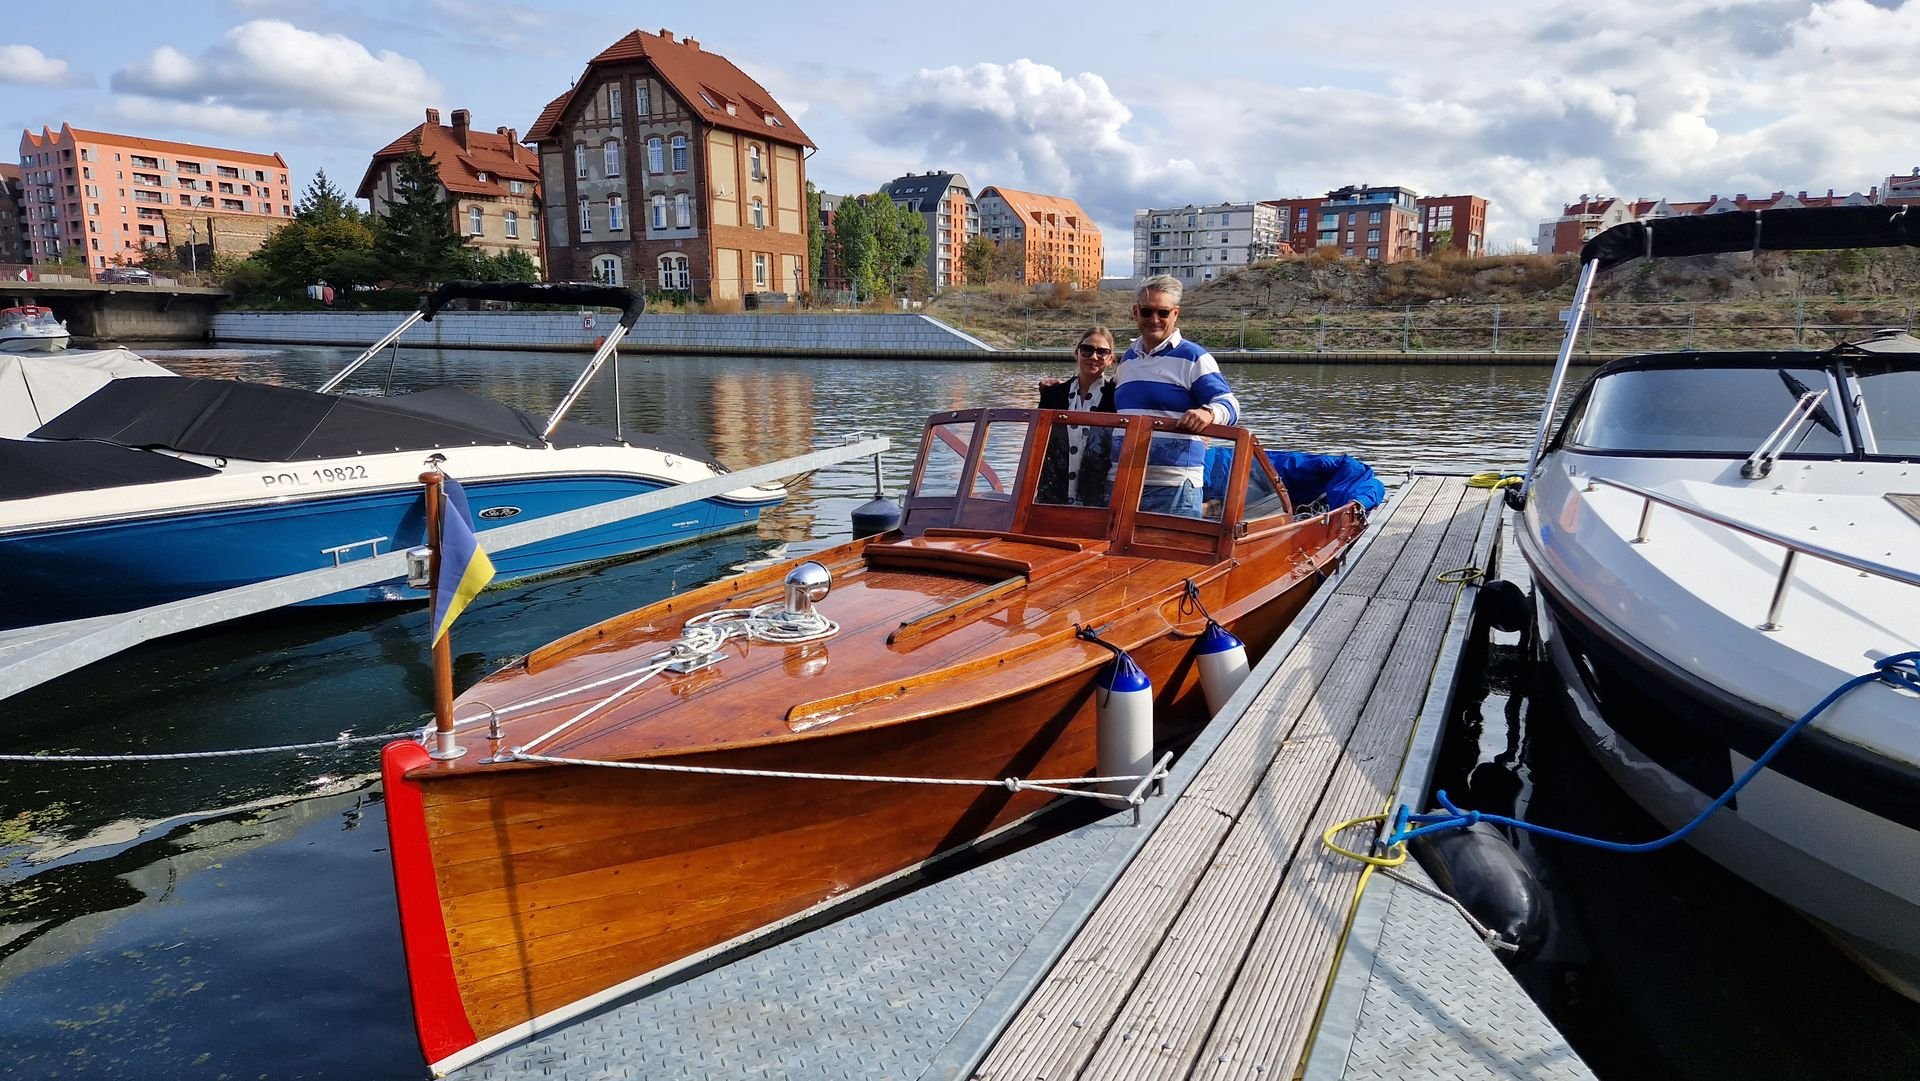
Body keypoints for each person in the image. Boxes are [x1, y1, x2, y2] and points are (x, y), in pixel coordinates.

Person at [1113, 275, 1240, 517]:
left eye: (1163, 312)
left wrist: (1208, 413)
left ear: (1175, 314)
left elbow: (1230, 404)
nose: (1155, 319)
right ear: (1135, 312)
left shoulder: (1194, 357)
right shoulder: (1127, 360)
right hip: (1123, 482)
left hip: (1174, 487)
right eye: (1147, 311)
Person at [1035, 326, 1118, 506]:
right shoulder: (1052, 394)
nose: (1093, 357)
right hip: (1053, 494)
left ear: (1110, 359)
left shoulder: (1117, 398)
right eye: (1087, 350)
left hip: (1097, 497)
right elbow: (1039, 445)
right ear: (1076, 353)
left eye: (1102, 352)